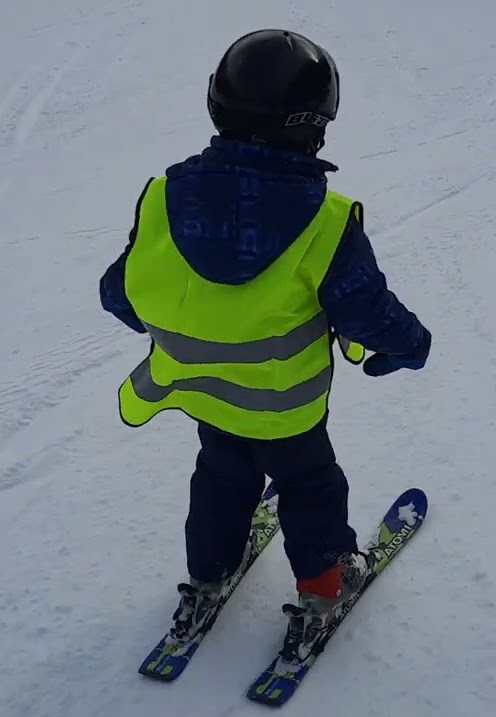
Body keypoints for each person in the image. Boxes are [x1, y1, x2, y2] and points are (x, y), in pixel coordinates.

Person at [99, 28, 431, 660]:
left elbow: (121, 291)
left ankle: (205, 578)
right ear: (315, 127)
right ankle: (326, 586)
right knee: (311, 489)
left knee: (220, 480)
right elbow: (367, 309)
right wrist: (409, 345)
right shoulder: (324, 220)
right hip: (287, 408)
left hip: (204, 396)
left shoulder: (164, 197)